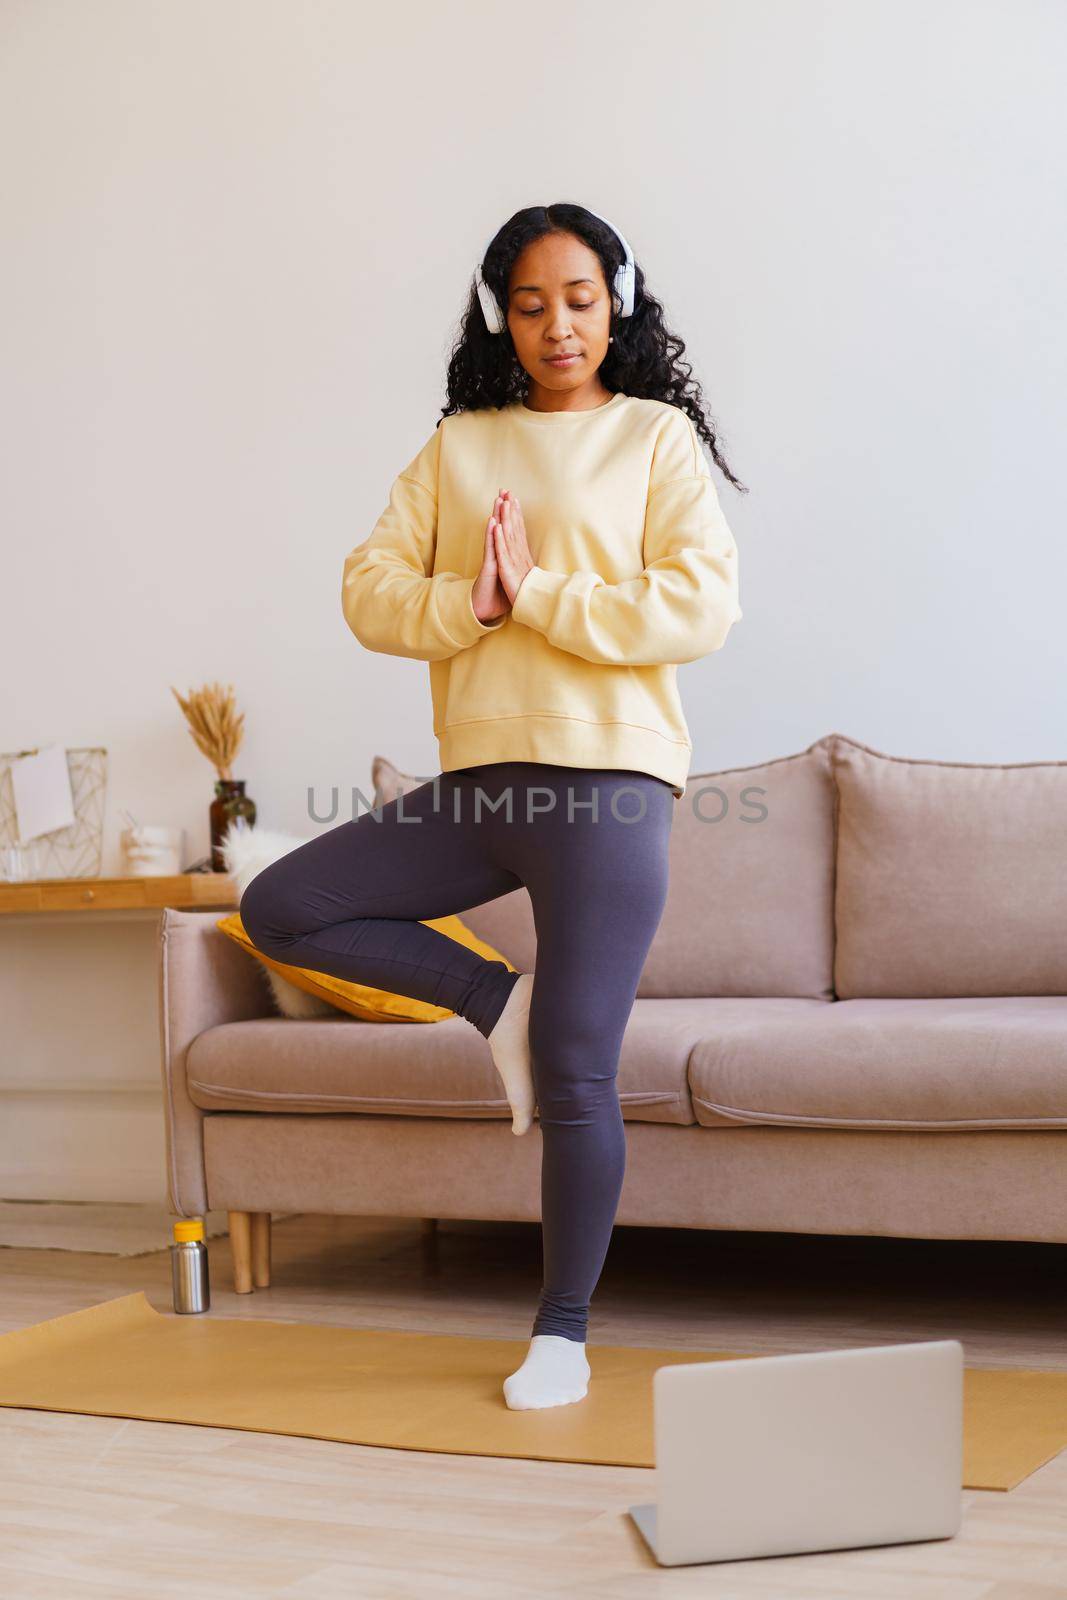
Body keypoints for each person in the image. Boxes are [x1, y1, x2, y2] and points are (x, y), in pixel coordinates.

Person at [239, 202, 746, 1411]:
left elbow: (696, 607)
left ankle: (560, 1332)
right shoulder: (458, 448)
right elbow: (368, 590)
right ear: (498, 317)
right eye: (529, 304)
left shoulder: (653, 439)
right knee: (282, 903)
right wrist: (466, 605)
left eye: (577, 298)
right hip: (477, 785)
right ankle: (489, 998)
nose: (556, 324)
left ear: (615, 301)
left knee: (576, 1069)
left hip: (611, 788)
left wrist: (538, 595)